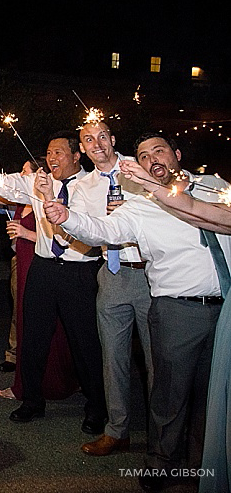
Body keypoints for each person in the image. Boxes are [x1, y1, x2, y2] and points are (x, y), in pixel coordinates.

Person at [44, 134, 229, 493]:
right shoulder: (142, 207)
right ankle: (162, 463)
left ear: (177, 154)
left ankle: (202, 465)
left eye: (158, 150)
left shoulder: (214, 187)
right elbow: (104, 230)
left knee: (214, 395)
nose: (151, 159)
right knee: (170, 394)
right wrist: (68, 218)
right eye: (143, 156)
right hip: (177, 310)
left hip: (226, 308)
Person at [0, 133, 108, 434]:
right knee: (34, 336)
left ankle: (96, 407)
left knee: (85, 342)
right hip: (43, 269)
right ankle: (32, 400)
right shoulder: (37, 181)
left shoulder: (94, 185)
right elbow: (2, 184)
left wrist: (52, 197)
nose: (52, 158)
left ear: (77, 156)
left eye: (60, 153)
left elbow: (94, 229)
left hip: (79, 272)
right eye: (49, 152)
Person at [69, 121, 153, 457]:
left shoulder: (140, 168)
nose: (96, 143)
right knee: (113, 358)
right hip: (112, 274)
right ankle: (117, 431)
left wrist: (133, 213)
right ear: (84, 148)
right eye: (88, 140)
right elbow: (84, 233)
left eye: (102, 136)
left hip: (150, 273)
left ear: (113, 139)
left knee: (155, 359)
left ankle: (163, 436)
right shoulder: (84, 186)